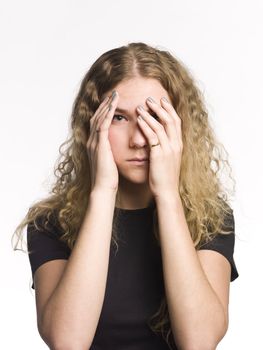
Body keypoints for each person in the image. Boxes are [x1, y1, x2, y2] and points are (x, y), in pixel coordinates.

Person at [12, 42, 239, 350]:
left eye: (154, 117)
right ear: (93, 125)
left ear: (179, 126)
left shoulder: (210, 218)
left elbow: (199, 341)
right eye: (119, 117)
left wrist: (168, 195)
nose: (137, 140)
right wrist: (103, 191)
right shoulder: (50, 223)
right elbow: (67, 341)